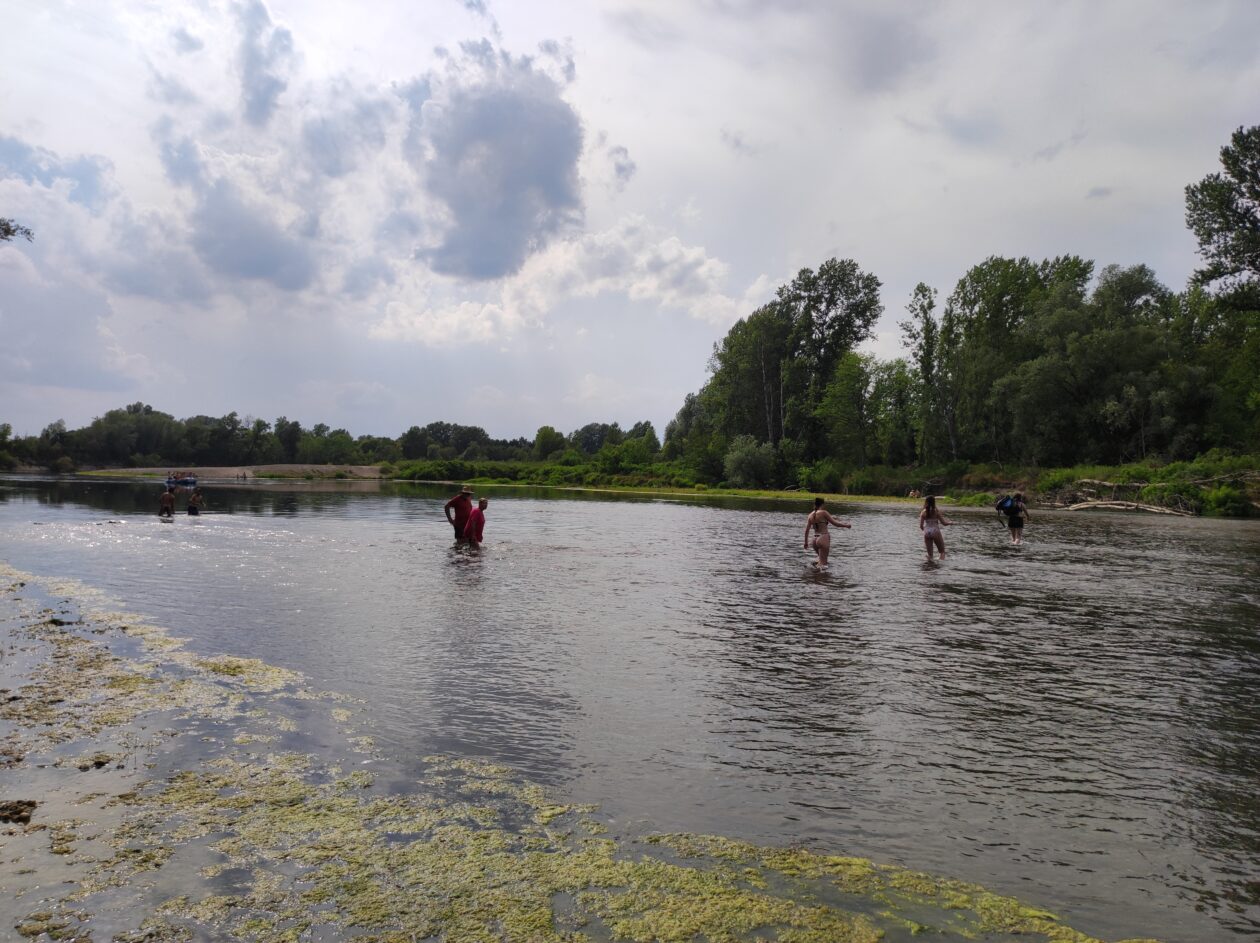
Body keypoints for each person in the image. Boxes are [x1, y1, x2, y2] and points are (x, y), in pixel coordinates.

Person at [803, 497, 851, 568]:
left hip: (814, 540)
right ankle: (822, 577)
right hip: (823, 537)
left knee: (820, 561)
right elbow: (835, 524)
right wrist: (846, 525)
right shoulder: (824, 512)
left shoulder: (810, 515)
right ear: (822, 504)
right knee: (824, 565)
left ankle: (815, 576)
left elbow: (807, 530)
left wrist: (806, 543)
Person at [918, 495, 952, 560]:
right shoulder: (936, 511)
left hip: (927, 532)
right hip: (935, 531)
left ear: (926, 502)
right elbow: (944, 523)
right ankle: (940, 567)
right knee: (942, 552)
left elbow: (921, 526)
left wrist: (926, 531)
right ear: (934, 502)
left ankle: (930, 567)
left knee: (930, 555)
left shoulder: (923, 512)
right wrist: (950, 522)